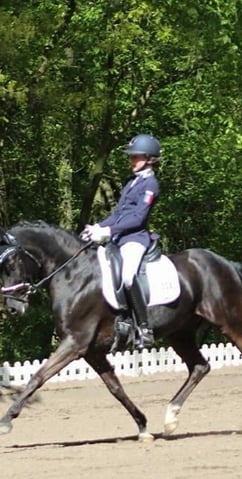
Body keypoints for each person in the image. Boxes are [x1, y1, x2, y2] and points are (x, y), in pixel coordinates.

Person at [81, 133, 161, 349]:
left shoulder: (150, 185)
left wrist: (108, 230)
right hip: (119, 236)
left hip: (136, 238)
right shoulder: (131, 182)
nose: (131, 160)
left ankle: (144, 328)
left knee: (127, 276)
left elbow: (138, 218)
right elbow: (119, 214)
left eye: (136, 157)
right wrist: (97, 227)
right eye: (132, 157)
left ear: (149, 158)